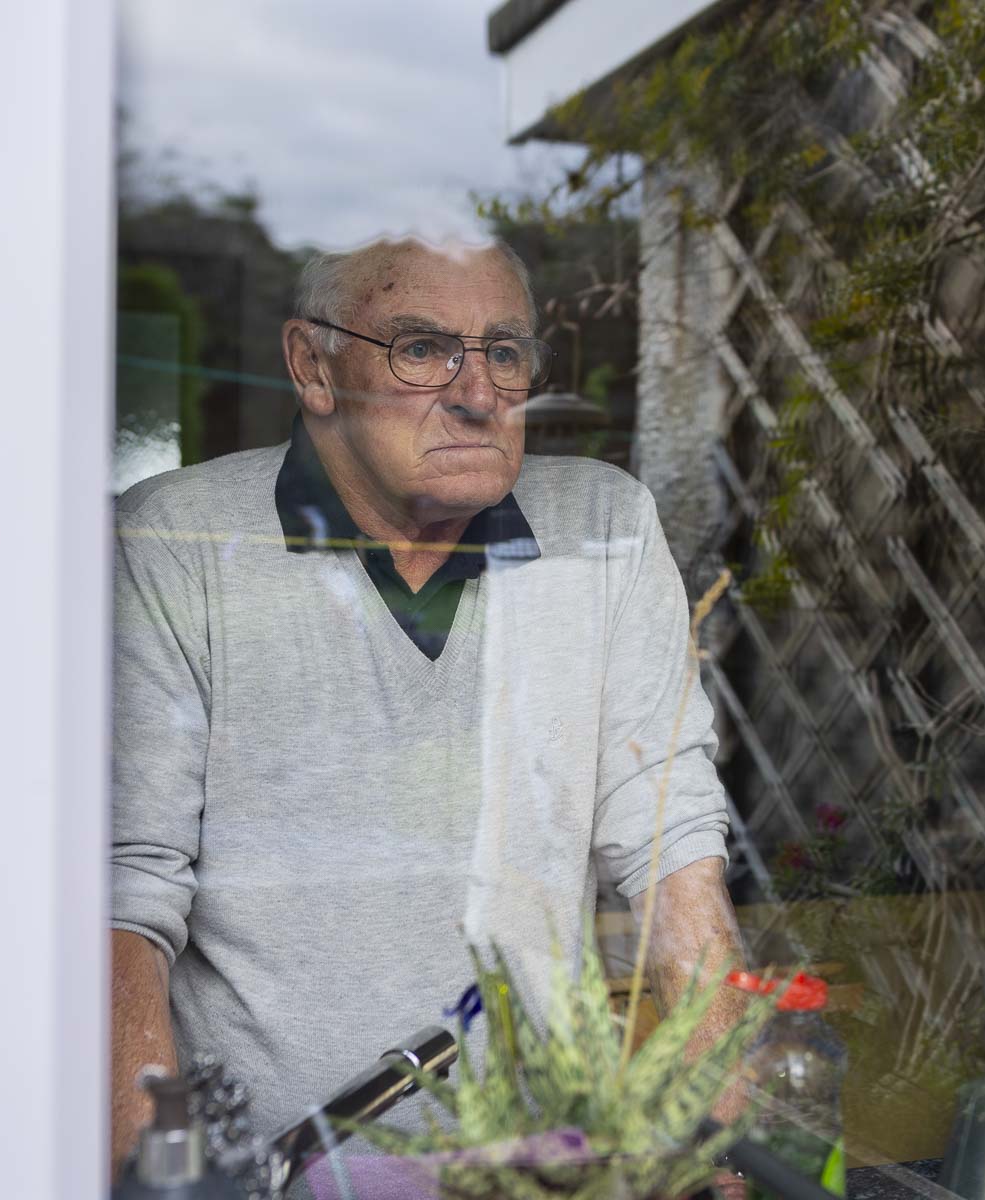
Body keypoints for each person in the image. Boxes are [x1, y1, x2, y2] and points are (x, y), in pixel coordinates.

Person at [109, 237, 749, 1182]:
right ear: (311, 365)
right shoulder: (180, 541)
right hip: (274, 1177)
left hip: (537, 1172)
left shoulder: (602, 530)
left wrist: (722, 1157)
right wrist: (159, 1183)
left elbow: (673, 855)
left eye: (502, 350)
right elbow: (124, 898)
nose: (477, 392)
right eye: (420, 348)